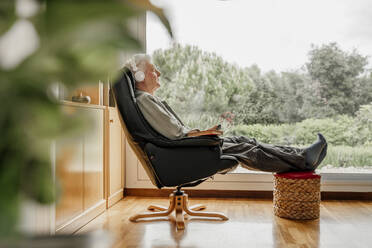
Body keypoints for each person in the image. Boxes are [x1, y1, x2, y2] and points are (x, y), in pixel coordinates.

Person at [126, 54, 327, 173]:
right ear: (141, 76)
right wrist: (202, 134)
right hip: (185, 151)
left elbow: (174, 133)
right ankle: (304, 160)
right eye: (153, 70)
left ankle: (301, 155)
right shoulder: (146, 100)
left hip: (187, 147)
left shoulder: (147, 100)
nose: (159, 74)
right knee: (249, 150)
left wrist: (204, 132)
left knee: (247, 141)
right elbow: (175, 135)